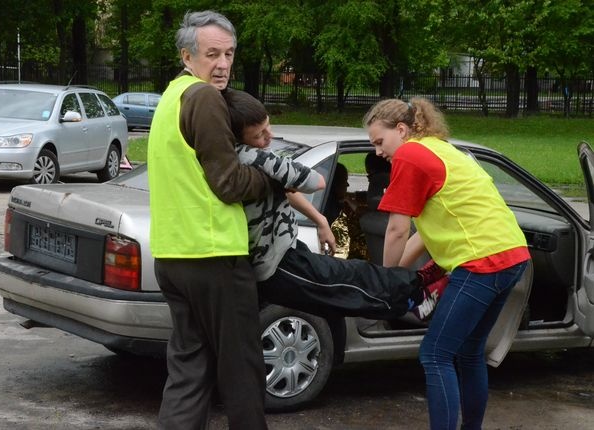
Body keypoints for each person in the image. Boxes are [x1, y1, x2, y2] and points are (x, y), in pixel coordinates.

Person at [364, 97, 531, 429]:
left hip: (481, 262)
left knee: (435, 354)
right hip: (513, 255)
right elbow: (425, 234)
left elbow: (398, 229)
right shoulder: (441, 149)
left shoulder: (410, 155)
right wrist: (397, 276)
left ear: (401, 130)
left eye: (380, 142)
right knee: (469, 352)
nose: (378, 151)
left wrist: (385, 281)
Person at [147, 11, 272, 430]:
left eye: (229, 54)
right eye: (212, 54)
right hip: (215, 254)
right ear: (187, 55)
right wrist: (270, 179)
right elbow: (229, 182)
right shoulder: (203, 98)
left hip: (171, 255)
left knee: (189, 370)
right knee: (242, 373)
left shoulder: (170, 97)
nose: (222, 64)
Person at [224, 89, 444, 320]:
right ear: (240, 139)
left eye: (268, 126)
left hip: (286, 249)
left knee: (348, 280)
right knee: (347, 287)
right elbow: (315, 181)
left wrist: (319, 220)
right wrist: (388, 278)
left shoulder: (236, 160)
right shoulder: (257, 159)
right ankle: (413, 298)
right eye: (259, 135)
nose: (269, 137)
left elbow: (284, 190)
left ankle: (416, 285)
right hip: (277, 262)